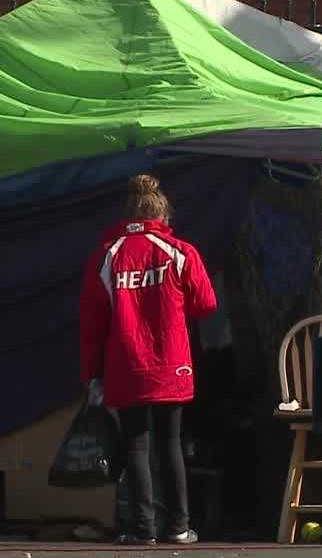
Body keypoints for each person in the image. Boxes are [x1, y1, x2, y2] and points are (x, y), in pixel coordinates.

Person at [79, 174, 218, 545]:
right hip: (171, 364)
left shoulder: (106, 255)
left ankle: (144, 530)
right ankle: (179, 527)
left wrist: (91, 373)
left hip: (125, 365)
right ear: (163, 215)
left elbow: (92, 321)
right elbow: (206, 303)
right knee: (170, 443)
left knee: (136, 445)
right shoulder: (180, 252)